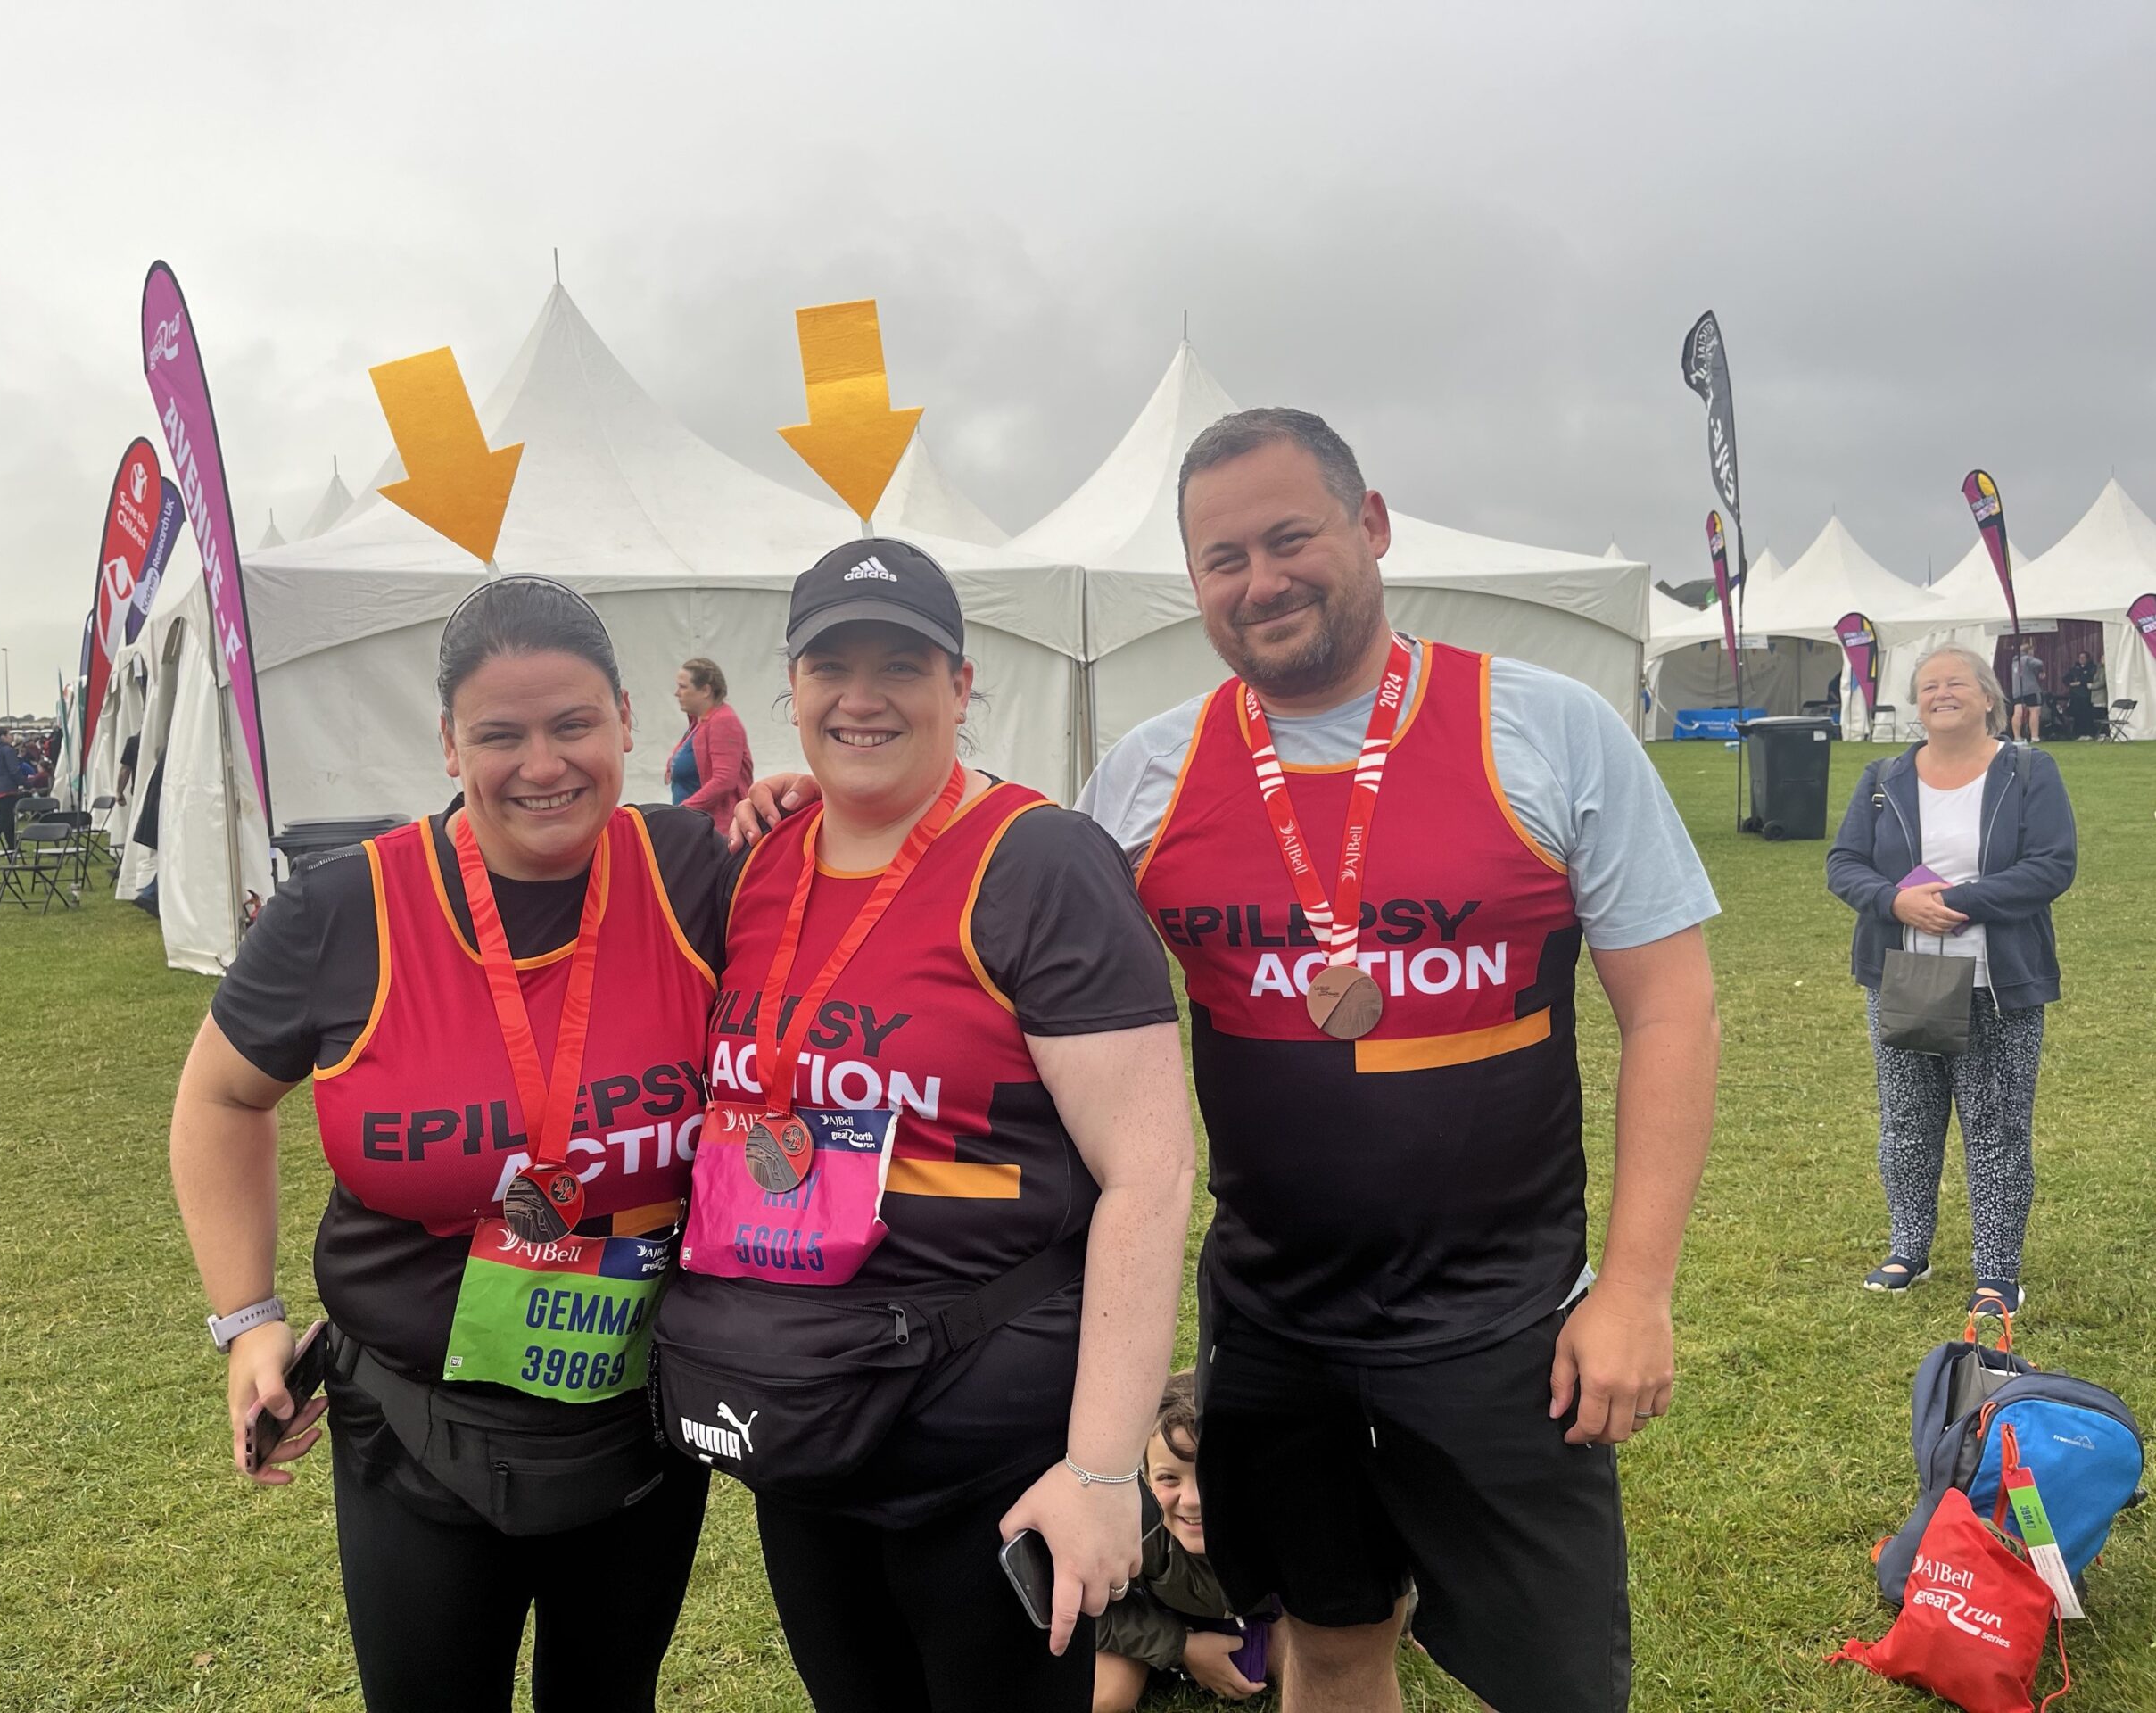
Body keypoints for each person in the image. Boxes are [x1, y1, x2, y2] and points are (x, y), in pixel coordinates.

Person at [739, 416, 1721, 1712]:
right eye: (1221, 558)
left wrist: (1638, 1288)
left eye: (1289, 538)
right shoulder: (1151, 774)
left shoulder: (1549, 730)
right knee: (1328, 1633)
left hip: (1505, 1322)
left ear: (1369, 525)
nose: (1262, 581)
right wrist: (838, 796)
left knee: (1555, 1684)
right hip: (1273, 1323)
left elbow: (1673, 1013)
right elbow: (995, 884)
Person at [656, 539, 1194, 1713]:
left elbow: (1150, 1176)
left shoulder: (1036, 860)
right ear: (789, 690)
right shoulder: (756, 864)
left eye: (902, 663)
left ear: (961, 686)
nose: (862, 695)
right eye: (830, 664)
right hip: (802, 1422)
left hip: (980, 1445)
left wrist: (1104, 1469)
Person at [169, 578, 723, 1712]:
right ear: (446, 741)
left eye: (573, 725)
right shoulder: (342, 913)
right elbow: (220, 1101)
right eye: (499, 734)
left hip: (638, 1418)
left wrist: (813, 803)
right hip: (417, 1427)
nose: (543, 765)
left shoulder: (699, 878)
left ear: (625, 718)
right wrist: (246, 1321)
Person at [1826, 645, 2076, 1319]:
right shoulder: (1884, 777)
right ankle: (1910, 1246)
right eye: (1929, 685)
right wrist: (1895, 902)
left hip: (1998, 982)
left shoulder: (2028, 771)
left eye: (1957, 682)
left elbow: (2052, 865)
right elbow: (1844, 863)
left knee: (1995, 1129)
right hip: (1903, 974)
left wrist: (1962, 901)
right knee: (1906, 1122)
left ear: (1989, 697)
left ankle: (1998, 1273)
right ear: (1917, 702)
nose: (1942, 693)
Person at [1094, 1370, 1284, 1712]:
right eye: (1168, 1478)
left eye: (1211, 1476)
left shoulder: (1279, 1517)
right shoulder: (1131, 1527)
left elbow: (1366, 1577)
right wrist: (1181, 1645)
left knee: (1317, 1665)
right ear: (1146, 1478)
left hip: (1271, 1616)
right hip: (1160, 1614)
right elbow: (1085, 1616)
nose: (1193, 1500)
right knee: (1106, 1697)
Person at [664, 655, 752, 840]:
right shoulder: (699, 722)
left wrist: (682, 811)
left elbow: (724, 780)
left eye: (683, 686)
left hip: (717, 833)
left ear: (705, 690)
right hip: (697, 828)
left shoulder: (723, 721)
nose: (677, 693)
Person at [2062, 650, 2104, 740]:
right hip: (2075, 696)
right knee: (2077, 716)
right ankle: (2078, 734)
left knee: (2087, 716)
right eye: (2080, 657)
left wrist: (2080, 683)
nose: (2081, 659)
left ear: (2087, 658)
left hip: (2086, 696)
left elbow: (2089, 679)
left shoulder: (2092, 667)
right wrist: (2070, 684)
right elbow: (2066, 678)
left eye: (2083, 657)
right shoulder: (2075, 668)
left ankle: (2089, 734)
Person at [2008, 643, 2045, 742]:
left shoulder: (2014, 662)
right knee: (2035, 711)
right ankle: (2034, 737)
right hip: (2031, 690)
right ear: (2029, 651)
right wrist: (2041, 671)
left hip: (2017, 691)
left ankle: (2017, 737)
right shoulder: (2027, 659)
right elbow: (2039, 663)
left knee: (2017, 713)